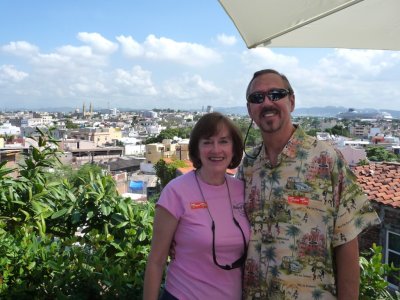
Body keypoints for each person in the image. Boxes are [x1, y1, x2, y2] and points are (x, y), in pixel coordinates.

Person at [237, 69, 380, 299]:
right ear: (249, 110)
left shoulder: (326, 159)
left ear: (291, 101)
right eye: (257, 97)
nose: (266, 102)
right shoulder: (248, 166)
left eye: (275, 94)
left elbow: (347, 242)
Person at [143, 112, 250, 300]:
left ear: (234, 149)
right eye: (207, 142)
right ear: (197, 149)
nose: (216, 149)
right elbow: (156, 261)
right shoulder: (176, 191)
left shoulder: (242, 189)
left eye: (224, 141)